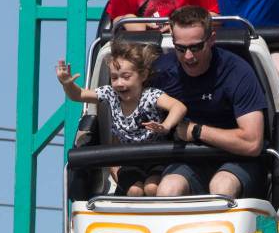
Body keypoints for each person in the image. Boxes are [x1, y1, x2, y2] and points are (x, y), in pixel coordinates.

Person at [152, 6, 267, 199]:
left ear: (212, 39)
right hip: (187, 160)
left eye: (196, 47)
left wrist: (197, 131)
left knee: (222, 187)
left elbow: (252, 142)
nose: (188, 56)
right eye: (180, 48)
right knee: (167, 189)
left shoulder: (237, 72)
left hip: (236, 160)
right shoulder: (162, 72)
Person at [56, 40, 187, 196]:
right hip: (129, 159)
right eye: (114, 77)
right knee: (134, 190)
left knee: (152, 188)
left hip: (156, 156)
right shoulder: (110, 94)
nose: (119, 83)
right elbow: (79, 95)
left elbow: (178, 107)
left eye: (126, 77)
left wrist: (166, 125)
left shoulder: (150, 95)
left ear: (143, 75)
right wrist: (67, 84)